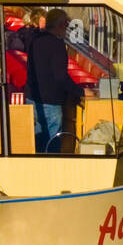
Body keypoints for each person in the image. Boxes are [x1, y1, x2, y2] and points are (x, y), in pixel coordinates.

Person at [26, 9, 83, 153]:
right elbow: (60, 76)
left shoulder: (35, 40)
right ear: (61, 24)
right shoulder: (57, 45)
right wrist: (81, 91)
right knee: (51, 146)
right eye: (67, 24)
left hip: (32, 97)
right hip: (50, 101)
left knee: (37, 142)